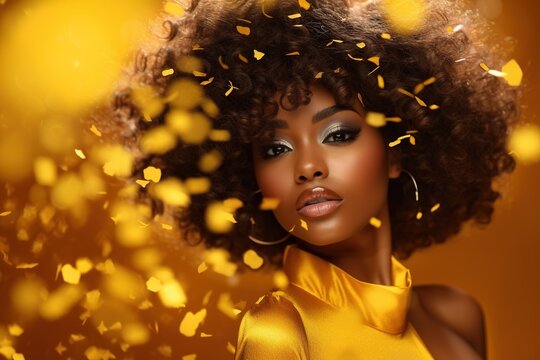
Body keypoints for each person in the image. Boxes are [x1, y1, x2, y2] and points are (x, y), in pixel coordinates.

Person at [111, 0, 520, 358]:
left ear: (396, 151)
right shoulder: (281, 329)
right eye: (275, 149)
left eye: (338, 135)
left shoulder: (458, 315)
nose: (307, 167)